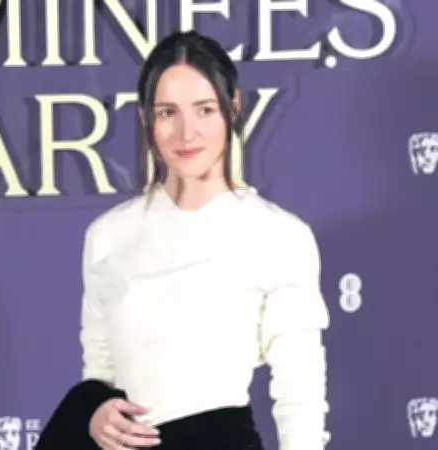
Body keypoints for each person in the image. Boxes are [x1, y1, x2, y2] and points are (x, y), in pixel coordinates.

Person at [72, 30, 330, 450]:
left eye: (205, 110)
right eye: (167, 113)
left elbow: (299, 394)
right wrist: (95, 413)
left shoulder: (279, 236)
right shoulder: (108, 236)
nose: (186, 134)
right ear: (145, 117)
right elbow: (99, 374)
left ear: (233, 107)